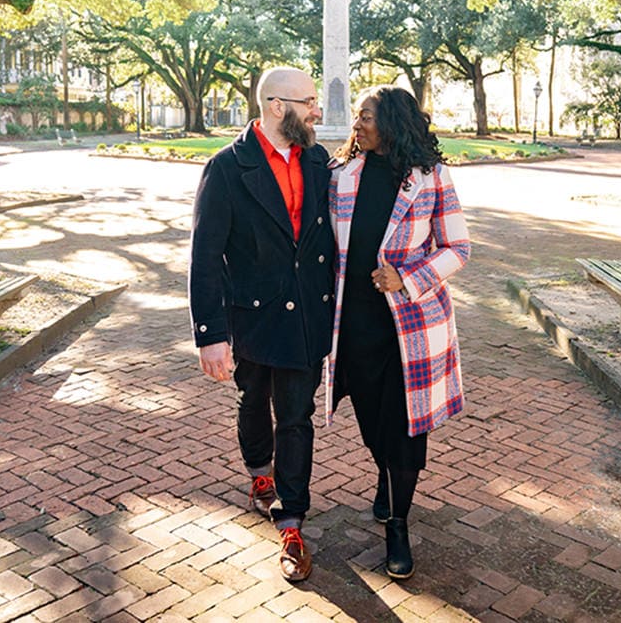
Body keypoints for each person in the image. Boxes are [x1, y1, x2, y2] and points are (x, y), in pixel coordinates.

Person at [187, 67, 336, 583]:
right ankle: (259, 474)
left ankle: (292, 522)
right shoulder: (227, 168)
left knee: (296, 418)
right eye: (309, 102)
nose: (317, 110)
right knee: (253, 403)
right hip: (251, 318)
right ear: (277, 106)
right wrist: (210, 335)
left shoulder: (318, 160)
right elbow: (204, 257)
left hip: (305, 320)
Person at [325, 85, 471, 580]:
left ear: (391, 122)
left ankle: (399, 525)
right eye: (358, 117)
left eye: (366, 116)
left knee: (406, 430)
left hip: (411, 326)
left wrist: (407, 279)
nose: (357, 125)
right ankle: (385, 481)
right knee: (372, 423)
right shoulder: (341, 175)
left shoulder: (430, 178)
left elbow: (458, 248)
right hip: (356, 324)